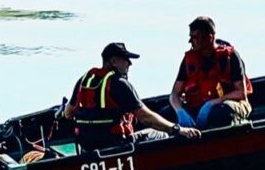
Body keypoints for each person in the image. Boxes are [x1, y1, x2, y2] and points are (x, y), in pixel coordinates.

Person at [64, 42, 200, 150]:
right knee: (161, 134)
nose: (130, 64)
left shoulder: (84, 80)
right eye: (126, 60)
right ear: (114, 62)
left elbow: (68, 113)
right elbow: (146, 117)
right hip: (115, 144)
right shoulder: (119, 84)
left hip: (87, 146)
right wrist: (178, 129)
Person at [169, 17, 252, 130]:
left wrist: (211, 104)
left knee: (221, 112)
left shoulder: (231, 57)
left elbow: (241, 93)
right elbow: (174, 94)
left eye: (195, 37)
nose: (190, 41)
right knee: (167, 114)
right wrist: (180, 111)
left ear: (209, 38)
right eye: (190, 37)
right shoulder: (189, 59)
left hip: (226, 104)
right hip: (197, 106)